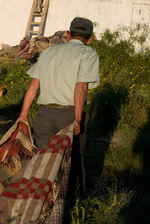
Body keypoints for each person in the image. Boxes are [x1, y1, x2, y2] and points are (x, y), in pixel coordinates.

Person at [17, 17, 100, 194]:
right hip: (69, 116)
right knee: (72, 161)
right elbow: (81, 87)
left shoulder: (48, 52)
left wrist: (23, 116)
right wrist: (77, 119)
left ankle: (39, 202)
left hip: (44, 116)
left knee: (42, 162)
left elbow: (34, 85)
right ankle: (71, 203)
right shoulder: (88, 54)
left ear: (68, 34)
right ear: (90, 38)